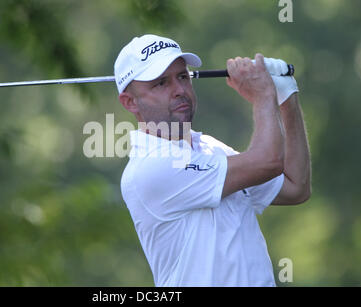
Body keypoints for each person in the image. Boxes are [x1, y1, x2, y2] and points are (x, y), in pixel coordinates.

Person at [114, 34, 311, 286]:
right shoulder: (151, 168)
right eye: (161, 83)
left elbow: (295, 187)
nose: (179, 90)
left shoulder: (211, 149)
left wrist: (286, 96)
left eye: (183, 76)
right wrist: (263, 95)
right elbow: (268, 161)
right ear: (130, 102)